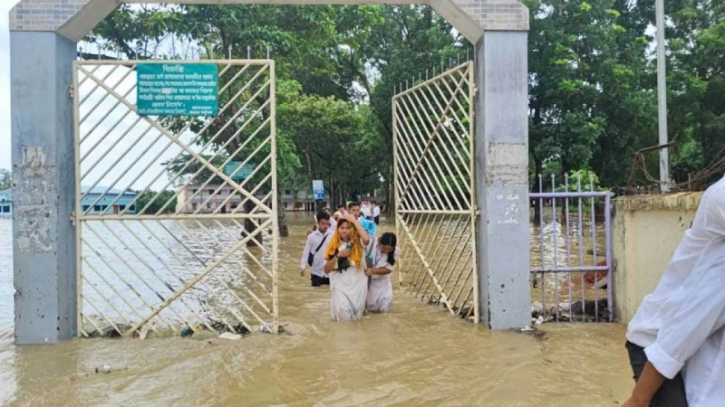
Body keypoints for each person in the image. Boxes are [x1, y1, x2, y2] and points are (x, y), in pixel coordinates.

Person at [622, 175, 725, 407]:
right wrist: (639, 398)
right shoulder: (721, 196)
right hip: (658, 335)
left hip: (688, 342)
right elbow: (685, 328)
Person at [323, 214, 371, 321]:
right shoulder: (333, 245)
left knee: (357, 318)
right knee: (343, 314)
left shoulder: (358, 243)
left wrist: (354, 221)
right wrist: (338, 255)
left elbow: (366, 239)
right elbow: (326, 269)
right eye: (342, 228)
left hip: (358, 284)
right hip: (340, 284)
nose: (345, 231)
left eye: (348, 228)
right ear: (337, 229)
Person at [364, 232, 398, 313]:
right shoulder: (370, 244)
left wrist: (372, 271)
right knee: (371, 310)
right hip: (369, 282)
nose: (386, 251)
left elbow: (388, 269)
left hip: (383, 283)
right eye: (384, 248)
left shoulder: (395, 251)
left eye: (389, 250)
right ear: (379, 242)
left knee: (385, 309)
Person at [300, 211, 333, 287]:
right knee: (315, 292)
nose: (325, 226)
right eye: (323, 224)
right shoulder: (311, 237)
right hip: (316, 272)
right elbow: (306, 252)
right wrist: (303, 267)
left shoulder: (333, 235)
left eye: (327, 224)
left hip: (330, 272)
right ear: (318, 223)